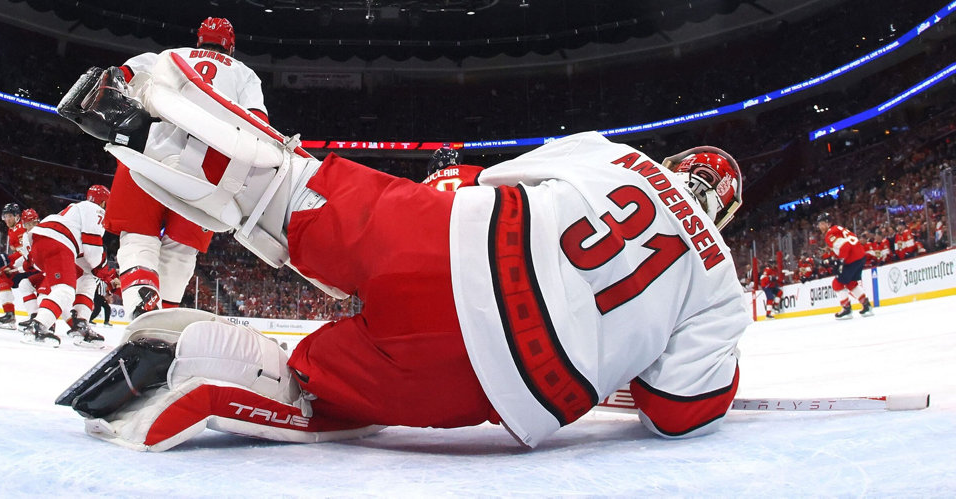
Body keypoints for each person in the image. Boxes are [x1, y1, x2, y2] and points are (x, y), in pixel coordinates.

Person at [55, 56, 749, 451]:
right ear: (725, 211)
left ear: (677, 159)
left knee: (285, 188)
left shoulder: (619, 157)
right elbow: (678, 411)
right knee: (314, 389)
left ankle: (156, 120)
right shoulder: (722, 287)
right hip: (505, 378)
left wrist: (438, 190)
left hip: (457, 240)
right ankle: (220, 364)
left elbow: (489, 180)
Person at [100, 17, 269, 320]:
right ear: (231, 46)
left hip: (148, 149)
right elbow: (257, 124)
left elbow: (121, 74)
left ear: (199, 39)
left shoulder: (171, 56)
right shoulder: (245, 74)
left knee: (138, 237)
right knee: (180, 250)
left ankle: (141, 299)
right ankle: (163, 322)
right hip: (207, 171)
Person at [22, 185, 115, 347]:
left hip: (43, 243)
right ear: (104, 203)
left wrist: (100, 273)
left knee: (88, 277)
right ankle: (39, 325)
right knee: (65, 290)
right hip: (58, 243)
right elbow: (92, 251)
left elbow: (87, 263)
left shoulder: (75, 209)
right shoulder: (95, 209)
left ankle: (80, 324)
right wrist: (106, 274)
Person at [815, 212, 873, 320]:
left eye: (822, 223)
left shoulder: (830, 234)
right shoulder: (838, 228)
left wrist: (839, 260)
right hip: (860, 256)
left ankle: (846, 308)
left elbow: (845, 246)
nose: (820, 226)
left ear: (828, 223)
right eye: (819, 224)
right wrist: (832, 253)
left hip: (852, 259)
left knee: (837, 283)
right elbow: (846, 243)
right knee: (851, 283)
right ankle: (866, 305)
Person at [0, 203, 25, 329]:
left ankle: (41, 320)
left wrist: (9, 262)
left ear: (17, 216)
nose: (7, 219)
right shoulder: (12, 229)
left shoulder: (21, 228)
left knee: (33, 285)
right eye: (5, 216)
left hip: (33, 264)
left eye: (9, 216)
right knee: (3, 277)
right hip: (25, 263)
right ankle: (9, 315)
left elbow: (25, 253)